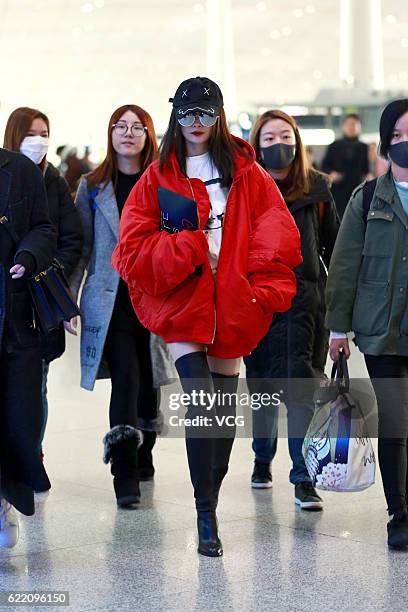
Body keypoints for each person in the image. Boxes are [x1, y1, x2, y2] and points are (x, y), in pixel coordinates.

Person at [112, 76, 301, 556]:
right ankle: (205, 516)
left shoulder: (248, 174)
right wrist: (189, 244)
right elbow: (132, 249)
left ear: (218, 115)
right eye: (189, 113)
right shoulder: (158, 177)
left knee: (221, 413)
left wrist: (257, 288)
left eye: (207, 112)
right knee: (200, 401)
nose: (197, 122)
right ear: (176, 116)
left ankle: (211, 492)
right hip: (183, 302)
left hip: (233, 305)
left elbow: (274, 231)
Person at [70, 104, 175, 508]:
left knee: (150, 388)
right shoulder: (92, 186)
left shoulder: (167, 182)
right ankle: (124, 472)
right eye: (120, 126)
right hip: (109, 302)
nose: (128, 133)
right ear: (110, 134)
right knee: (127, 381)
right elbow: (81, 247)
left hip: (155, 300)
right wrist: (69, 300)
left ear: (149, 135)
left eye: (137, 127)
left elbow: (182, 242)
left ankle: (143, 452)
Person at [244, 109, 339, 508]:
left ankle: (303, 479)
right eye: (268, 139)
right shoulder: (244, 189)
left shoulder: (316, 189)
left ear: (297, 142)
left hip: (304, 308)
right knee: (263, 391)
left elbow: (334, 249)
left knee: (302, 394)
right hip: (259, 305)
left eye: (285, 136)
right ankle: (262, 458)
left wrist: (340, 316)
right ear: (257, 145)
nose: (278, 144)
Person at [326, 99, 408, 549]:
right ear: (384, 144)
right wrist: (338, 330)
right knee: (396, 420)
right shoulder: (367, 199)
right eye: (397, 136)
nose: (405, 144)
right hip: (381, 330)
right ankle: (399, 513)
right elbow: (343, 266)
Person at [3, 107, 83, 462]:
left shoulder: (53, 182)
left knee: (36, 382)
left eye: (44, 134)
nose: (38, 142)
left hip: (41, 296)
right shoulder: (10, 176)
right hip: (9, 292)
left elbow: (69, 235)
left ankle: (30, 456)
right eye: (30, 134)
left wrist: (48, 269)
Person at [0, 147, 56, 548]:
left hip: (14, 317)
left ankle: (5, 496)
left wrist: (29, 254)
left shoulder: (18, 169)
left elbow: (44, 227)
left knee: (19, 417)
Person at [321, 113, 369, 219]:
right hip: (338, 191)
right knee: (338, 220)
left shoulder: (364, 148)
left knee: (358, 220)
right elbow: (325, 166)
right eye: (349, 124)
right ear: (343, 126)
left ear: (360, 127)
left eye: (355, 124)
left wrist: (368, 176)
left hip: (358, 189)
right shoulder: (334, 146)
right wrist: (332, 174)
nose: (352, 127)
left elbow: (367, 169)